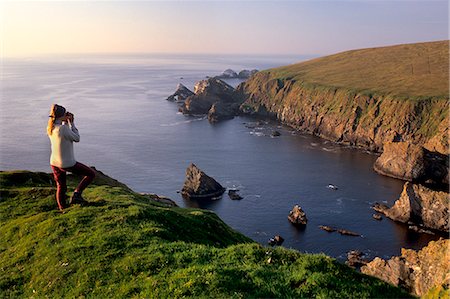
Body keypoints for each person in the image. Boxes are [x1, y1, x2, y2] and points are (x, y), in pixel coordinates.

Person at [47, 104, 95, 211]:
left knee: (61, 187)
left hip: (54, 162)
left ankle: (62, 208)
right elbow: (76, 138)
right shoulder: (63, 128)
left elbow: (63, 134)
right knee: (91, 174)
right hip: (67, 163)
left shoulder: (51, 127)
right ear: (62, 116)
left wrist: (65, 121)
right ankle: (77, 194)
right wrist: (71, 123)